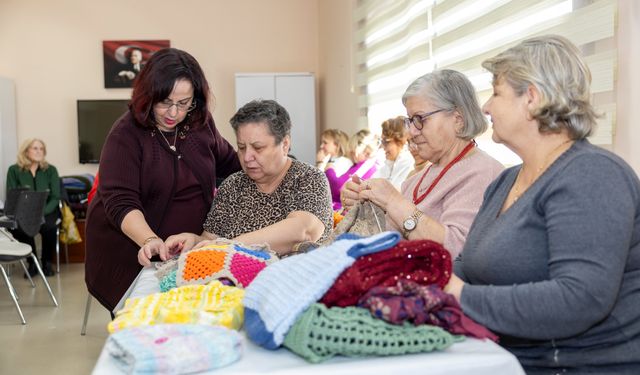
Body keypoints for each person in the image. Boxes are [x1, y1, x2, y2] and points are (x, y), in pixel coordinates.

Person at [445, 35, 640, 374]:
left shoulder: (592, 175)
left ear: (531, 98)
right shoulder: (505, 182)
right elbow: (468, 268)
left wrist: (460, 295)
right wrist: (418, 274)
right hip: (507, 357)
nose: (486, 107)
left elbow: (579, 299)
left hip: (581, 366)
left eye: (496, 92)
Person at [85, 48, 242, 312]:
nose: (174, 113)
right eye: (165, 102)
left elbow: (232, 163)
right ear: (148, 96)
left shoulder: (199, 124)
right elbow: (121, 201)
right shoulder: (126, 135)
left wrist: (278, 163)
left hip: (189, 252)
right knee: (148, 322)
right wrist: (149, 240)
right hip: (131, 257)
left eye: (184, 103)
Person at [140, 99, 332, 264]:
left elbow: (302, 231)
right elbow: (210, 239)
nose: (247, 157)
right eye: (241, 147)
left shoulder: (309, 179)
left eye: (258, 148)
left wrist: (230, 246)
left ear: (285, 145)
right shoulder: (233, 186)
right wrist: (192, 241)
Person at [341, 70, 504, 258]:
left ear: (458, 120)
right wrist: (362, 204)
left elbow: (457, 251)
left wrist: (393, 201)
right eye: (410, 121)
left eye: (420, 119)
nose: (411, 131)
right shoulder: (416, 179)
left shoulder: (482, 172)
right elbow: (387, 239)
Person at [6, 138, 60, 277]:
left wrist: (42, 212)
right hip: (24, 212)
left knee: (50, 227)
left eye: (41, 149)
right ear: (26, 151)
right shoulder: (14, 170)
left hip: (47, 210)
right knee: (20, 228)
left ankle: (47, 262)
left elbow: (55, 197)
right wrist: (29, 213)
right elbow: (13, 195)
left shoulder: (51, 170)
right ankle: (32, 263)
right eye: (35, 148)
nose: (39, 151)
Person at [326, 129, 380, 211]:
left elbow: (338, 187)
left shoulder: (369, 164)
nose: (354, 152)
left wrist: (329, 169)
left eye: (366, 153)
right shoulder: (357, 163)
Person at [373, 116, 415, 188]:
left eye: (386, 142)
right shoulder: (388, 165)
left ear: (401, 140)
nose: (382, 147)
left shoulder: (410, 165)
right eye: (382, 141)